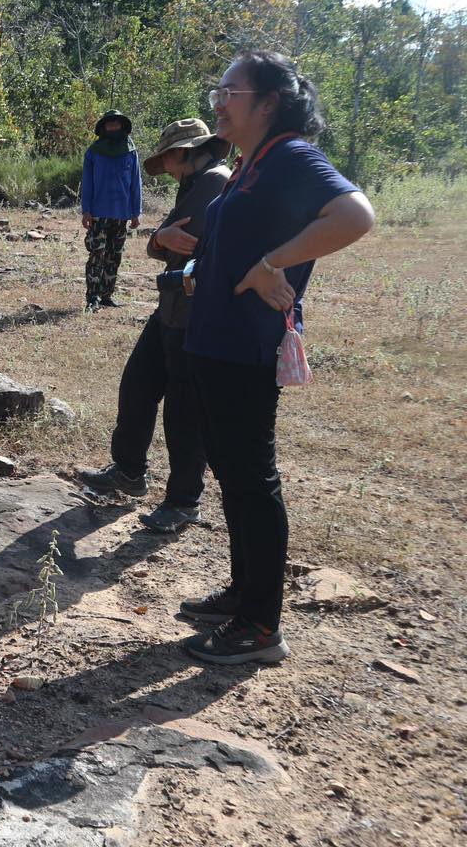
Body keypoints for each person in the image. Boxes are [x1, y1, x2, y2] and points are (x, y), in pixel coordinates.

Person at [179, 51, 375, 665]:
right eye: (219, 88)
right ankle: (244, 594)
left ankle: (262, 628)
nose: (219, 100)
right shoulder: (249, 164)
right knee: (232, 475)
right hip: (214, 338)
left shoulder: (291, 156)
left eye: (230, 90)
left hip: (244, 346)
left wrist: (273, 266)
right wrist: (198, 266)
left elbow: (355, 215)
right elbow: (236, 239)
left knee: (250, 480)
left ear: (269, 102)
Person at [78, 119, 230, 533]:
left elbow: (183, 242)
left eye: (168, 158)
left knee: (184, 411)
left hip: (196, 314)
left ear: (183, 151)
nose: (167, 166)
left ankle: (183, 502)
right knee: (138, 385)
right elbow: (158, 245)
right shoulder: (195, 183)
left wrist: (162, 240)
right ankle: (128, 471)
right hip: (172, 307)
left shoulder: (215, 182)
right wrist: (161, 238)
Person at [80, 110, 143, 310]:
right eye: (110, 125)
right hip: (98, 213)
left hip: (122, 213)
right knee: (96, 255)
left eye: (117, 124)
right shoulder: (93, 152)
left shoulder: (131, 151)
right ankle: (92, 298)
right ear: (104, 128)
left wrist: (136, 212)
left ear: (122, 127)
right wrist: (86, 211)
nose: (114, 127)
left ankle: (106, 295)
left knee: (114, 256)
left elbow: (136, 183)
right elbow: (88, 183)